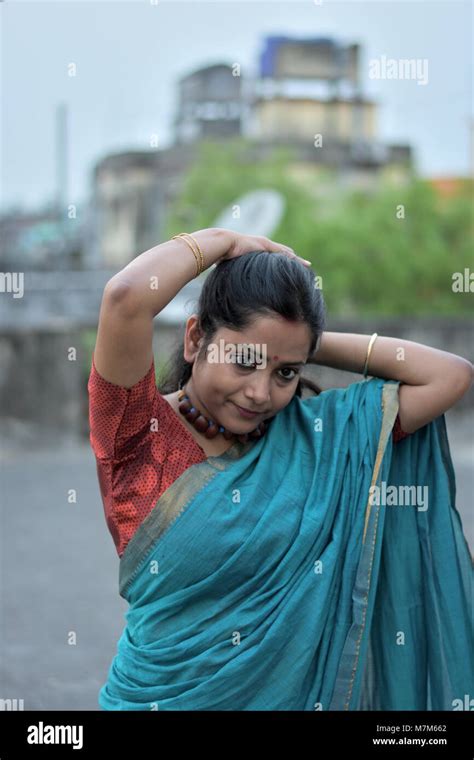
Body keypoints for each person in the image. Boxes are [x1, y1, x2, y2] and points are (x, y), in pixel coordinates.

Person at [88, 228, 473, 710]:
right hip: (158, 697)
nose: (260, 393)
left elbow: (450, 375)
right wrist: (225, 241)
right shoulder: (137, 433)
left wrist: (301, 343)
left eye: (286, 373)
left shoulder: (317, 435)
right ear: (194, 338)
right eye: (244, 361)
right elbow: (125, 297)